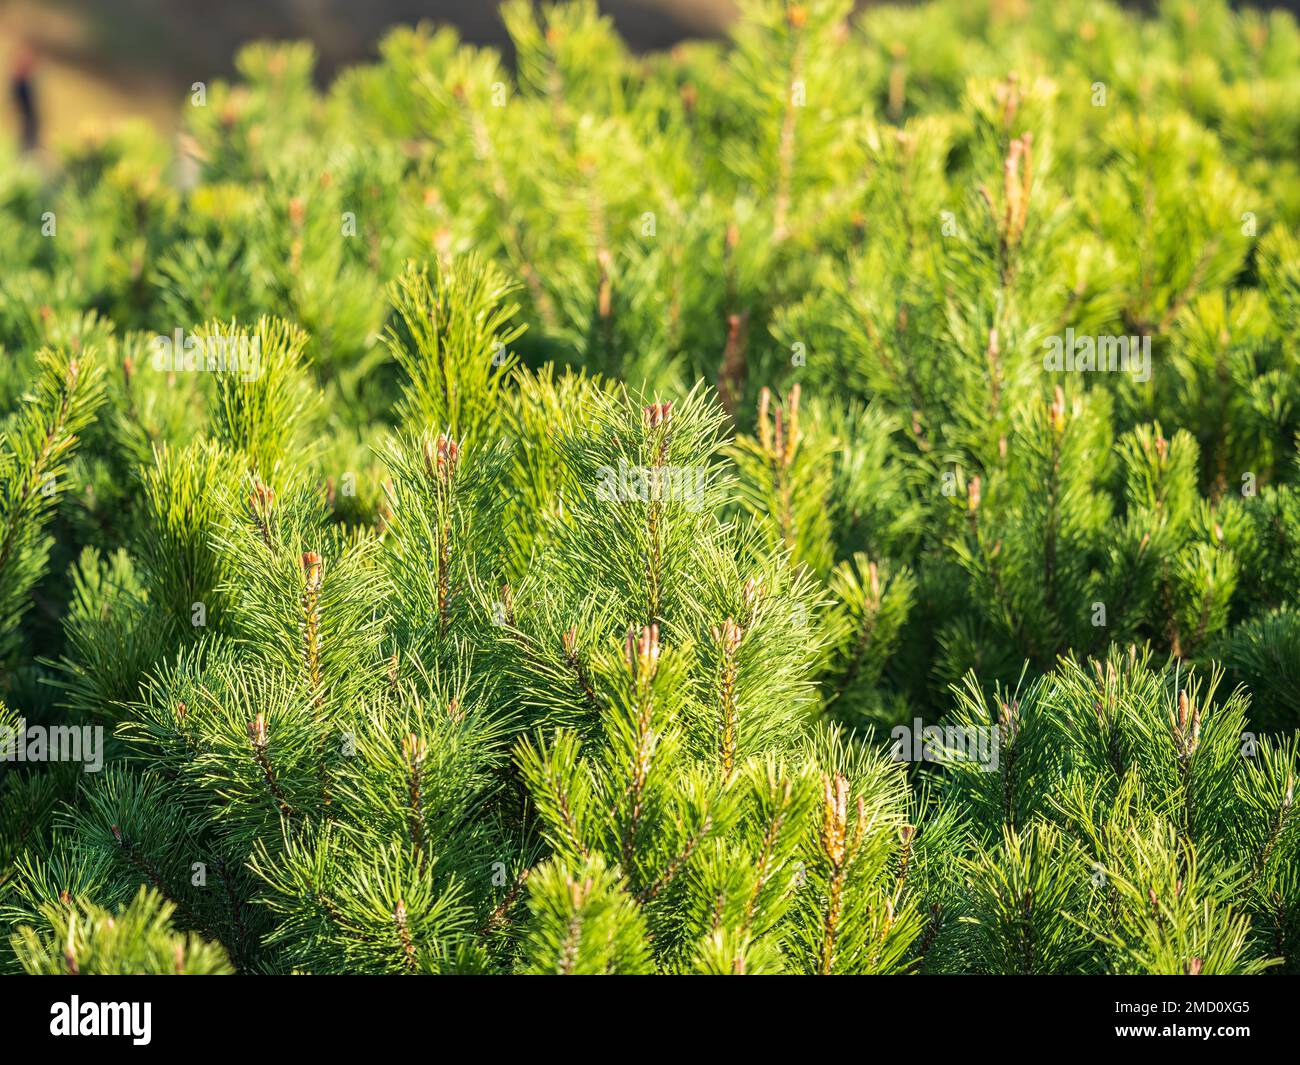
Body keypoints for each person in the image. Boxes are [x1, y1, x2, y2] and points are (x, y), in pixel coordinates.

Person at [11, 41, 39, 151]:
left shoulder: (24, 83)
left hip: (29, 117)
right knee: (26, 139)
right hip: (26, 118)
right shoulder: (20, 84)